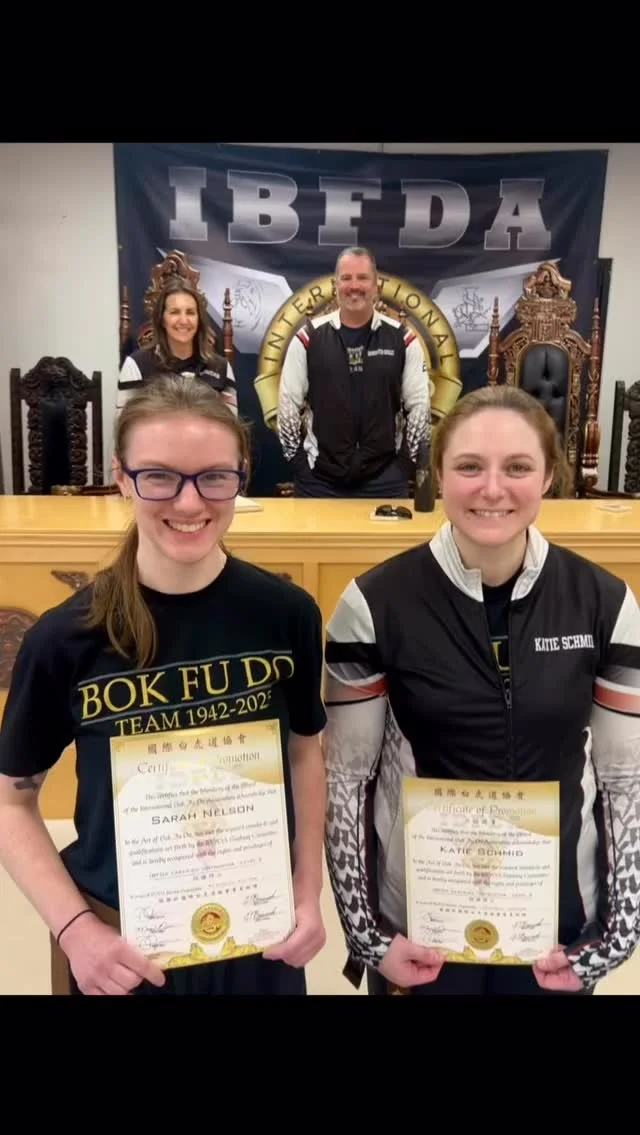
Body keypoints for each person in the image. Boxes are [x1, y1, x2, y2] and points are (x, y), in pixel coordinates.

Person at [0, 375, 327, 996]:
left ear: (241, 476)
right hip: (120, 948)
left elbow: (306, 752)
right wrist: (74, 930)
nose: (189, 502)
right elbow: (10, 802)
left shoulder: (286, 615)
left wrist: (307, 892)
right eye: (158, 476)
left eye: (214, 477)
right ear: (122, 479)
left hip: (261, 933)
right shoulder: (66, 637)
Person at [322, 383, 640, 996]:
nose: (493, 489)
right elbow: (345, 782)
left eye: (517, 467)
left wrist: (615, 938)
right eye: (469, 466)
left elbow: (626, 782)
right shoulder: (372, 605)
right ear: (438, 475)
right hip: (421, 927)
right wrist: (369, 938)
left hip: (558, 930)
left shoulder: (606, 604)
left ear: (548, 476)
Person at [276, 246, 430, 499]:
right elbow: (287, 407)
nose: (354, 286)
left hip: (385, 483)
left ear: (376, 285)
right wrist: (302, 467)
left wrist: (402, 468)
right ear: (336, 285)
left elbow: (420, 408)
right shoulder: (308, 338)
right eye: (346, 278)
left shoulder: (403, 339)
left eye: (362, 278)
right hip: (319, 482)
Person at [117, 278, 238, 416]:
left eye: (190, 312)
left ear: (199, 319)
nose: (183, 321)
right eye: (174, 312)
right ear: (162, 319)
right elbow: (124, 425)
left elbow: (230, 425)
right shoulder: (136, 366)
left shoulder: (221, 368)